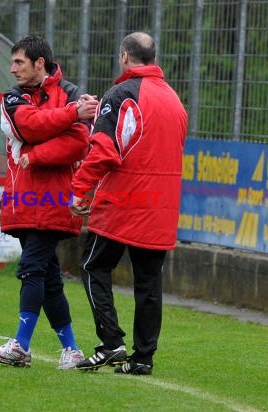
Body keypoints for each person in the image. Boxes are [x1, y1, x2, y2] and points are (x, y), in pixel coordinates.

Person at [70, 32, 188, 375]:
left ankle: (111, 343)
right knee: (149, 282)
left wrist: (81, 190)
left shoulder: (122, 94)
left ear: (124, 56)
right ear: (152, 57)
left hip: (125, 203)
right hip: (161, 206)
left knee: (93, 266)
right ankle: (142, 359)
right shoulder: (175, 101)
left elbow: (105, 149)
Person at [0, 35, 98, 369]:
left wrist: (35, 157)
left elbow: (79, 142)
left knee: (32, 269)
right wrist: (71, 114)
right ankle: (72, 350)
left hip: (54, 201)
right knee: (48, 278)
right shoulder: (12, 98)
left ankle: (20, 346)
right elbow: (29, 126)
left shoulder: (73, 94)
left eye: (19, 62)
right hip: (22, 201)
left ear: (39, 63)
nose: (12, 68)